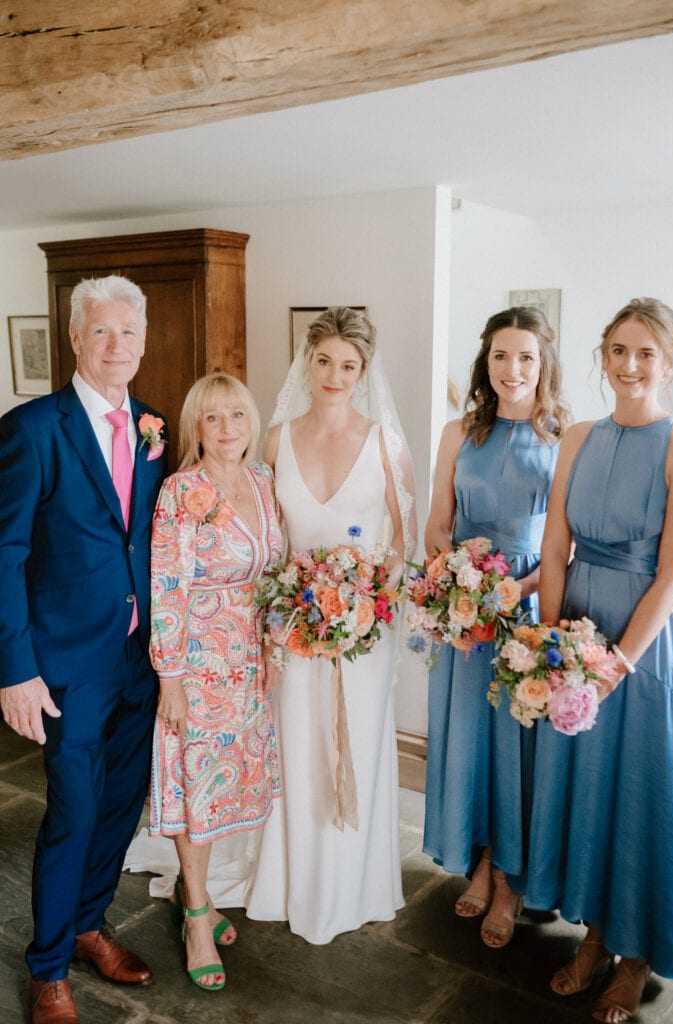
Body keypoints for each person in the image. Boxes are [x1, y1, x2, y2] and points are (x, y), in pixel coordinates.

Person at [0, 276, 167, 1024]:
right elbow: (3, 554)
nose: (116, 347)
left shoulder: (154, 427)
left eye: (127, 333)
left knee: (119, 807)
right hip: (65, 666)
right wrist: (16, 670)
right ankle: (46, 969)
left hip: (140, 661)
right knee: (73, 809)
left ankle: (90, 926)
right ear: (74, 338)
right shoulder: (32, 429)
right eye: (101, 332)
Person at [524, 298, 673, 1022]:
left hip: (642, 646)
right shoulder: (578, 436)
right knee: (585, 791)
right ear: (600, 354)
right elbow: (554, 544)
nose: (627, 365)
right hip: (576, 625)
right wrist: (553, 645)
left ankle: (634, 954)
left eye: (644, 352)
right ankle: (589, 936)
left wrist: (615, 664)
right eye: (617, 350)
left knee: (639, 795)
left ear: (669, 362)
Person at [245, 306, 416, 943]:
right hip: (292, 628)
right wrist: (283, 611)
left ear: (364, 371)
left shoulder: (385, 442)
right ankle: (289, 883)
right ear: (307, 361)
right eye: (324, 361)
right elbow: (269, 540)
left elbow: (402, 537)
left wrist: (367, 601)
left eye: (349, 366)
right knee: (295, 748)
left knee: (355, 749)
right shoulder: (275, 439)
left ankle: (353, 886)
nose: (334, 375)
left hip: (360, 636)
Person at [423, 307, 569, 949]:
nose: (513, 369)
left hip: (527, 610)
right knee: (472, 741)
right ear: (487, 361)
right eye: (502, 356)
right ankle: (478, 857)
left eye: (527, 358)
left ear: (544, 365)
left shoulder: (566, 438)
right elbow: (436, 523)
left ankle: (510, 877)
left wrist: (514, 590)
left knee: (518, 749)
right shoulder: (458, 432)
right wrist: (458, 584)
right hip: (465, 612)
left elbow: (565, 543)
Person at [143, 372, 283, 991]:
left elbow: (278, 570)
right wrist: (170, 676)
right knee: (195, 788)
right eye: (212, 418)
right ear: (196, 428)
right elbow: (166, 588)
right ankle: (197, 914)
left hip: (249, 660)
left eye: (237, 416)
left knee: (228, 789)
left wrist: (275, 641)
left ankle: (191, 888)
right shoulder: (181, 491)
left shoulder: (263, 481)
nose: (228, 429)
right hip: (198, 662)